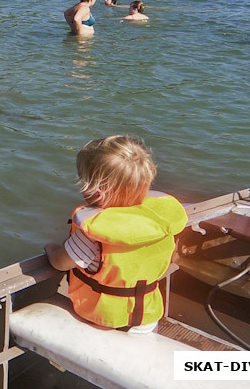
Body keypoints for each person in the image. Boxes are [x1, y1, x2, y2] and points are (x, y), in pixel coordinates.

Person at [43, 135, 187, 333]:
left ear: (95, 191)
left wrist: (52, 250)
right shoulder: (159, 224)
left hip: (100, 319)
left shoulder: (94, 233)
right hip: (147, 318)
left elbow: (61, 263)